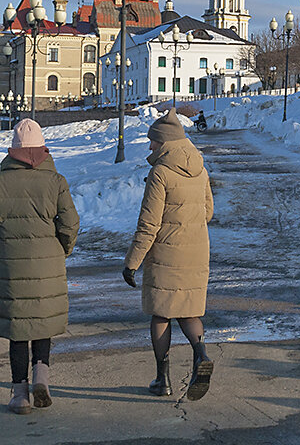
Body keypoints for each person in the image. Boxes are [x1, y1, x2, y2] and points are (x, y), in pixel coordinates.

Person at [0, 119, 79, 415]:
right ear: (43, 148)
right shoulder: (56, 181)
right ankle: (42, 377)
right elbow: (70, 223)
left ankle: (20, 394)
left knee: (18, 330)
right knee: (42, 323)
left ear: (13, 150)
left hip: (11, 263)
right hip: (49, 263)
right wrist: (61, 250)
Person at [123, 109, 214, 400]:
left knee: (161, 314)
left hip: (166, 253)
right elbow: (208, 212)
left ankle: (163, 381)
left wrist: (131, 263)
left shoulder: (160, 173)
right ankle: (200, 354)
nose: (150, 146)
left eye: (153, 141)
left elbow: (148, 224)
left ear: (165, 143)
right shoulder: (201, 169)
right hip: (197, 251)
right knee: (188, 311)